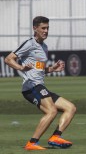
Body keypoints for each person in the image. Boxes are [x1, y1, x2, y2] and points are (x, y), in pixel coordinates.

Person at [5, 16, 76, 150]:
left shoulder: (44, 47)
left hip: (39, 85)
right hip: (31, 87)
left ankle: (55, 137)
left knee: (71, 108)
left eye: (47, 28)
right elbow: (9, 59)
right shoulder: (29, 43)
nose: (46, 31)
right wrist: (21, 67)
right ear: (35, 28)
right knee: (52, 111)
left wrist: (52, 69)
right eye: (43, 28)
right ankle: (32, 143)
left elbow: (40, 70)